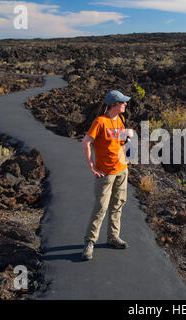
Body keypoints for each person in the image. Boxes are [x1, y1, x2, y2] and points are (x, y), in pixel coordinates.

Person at [81, 90, 133, 261]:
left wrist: (128, 139)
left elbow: (121, 141)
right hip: (105, 173)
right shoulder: (100, 122)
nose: (125, 104)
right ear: (113, 104)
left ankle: (113, 237)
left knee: (118, 203)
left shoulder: (120, 119)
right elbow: (86, 142)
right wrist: (92, 167)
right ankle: (90, 241)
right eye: (123, 102)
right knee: (101, 207)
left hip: (121, 169)